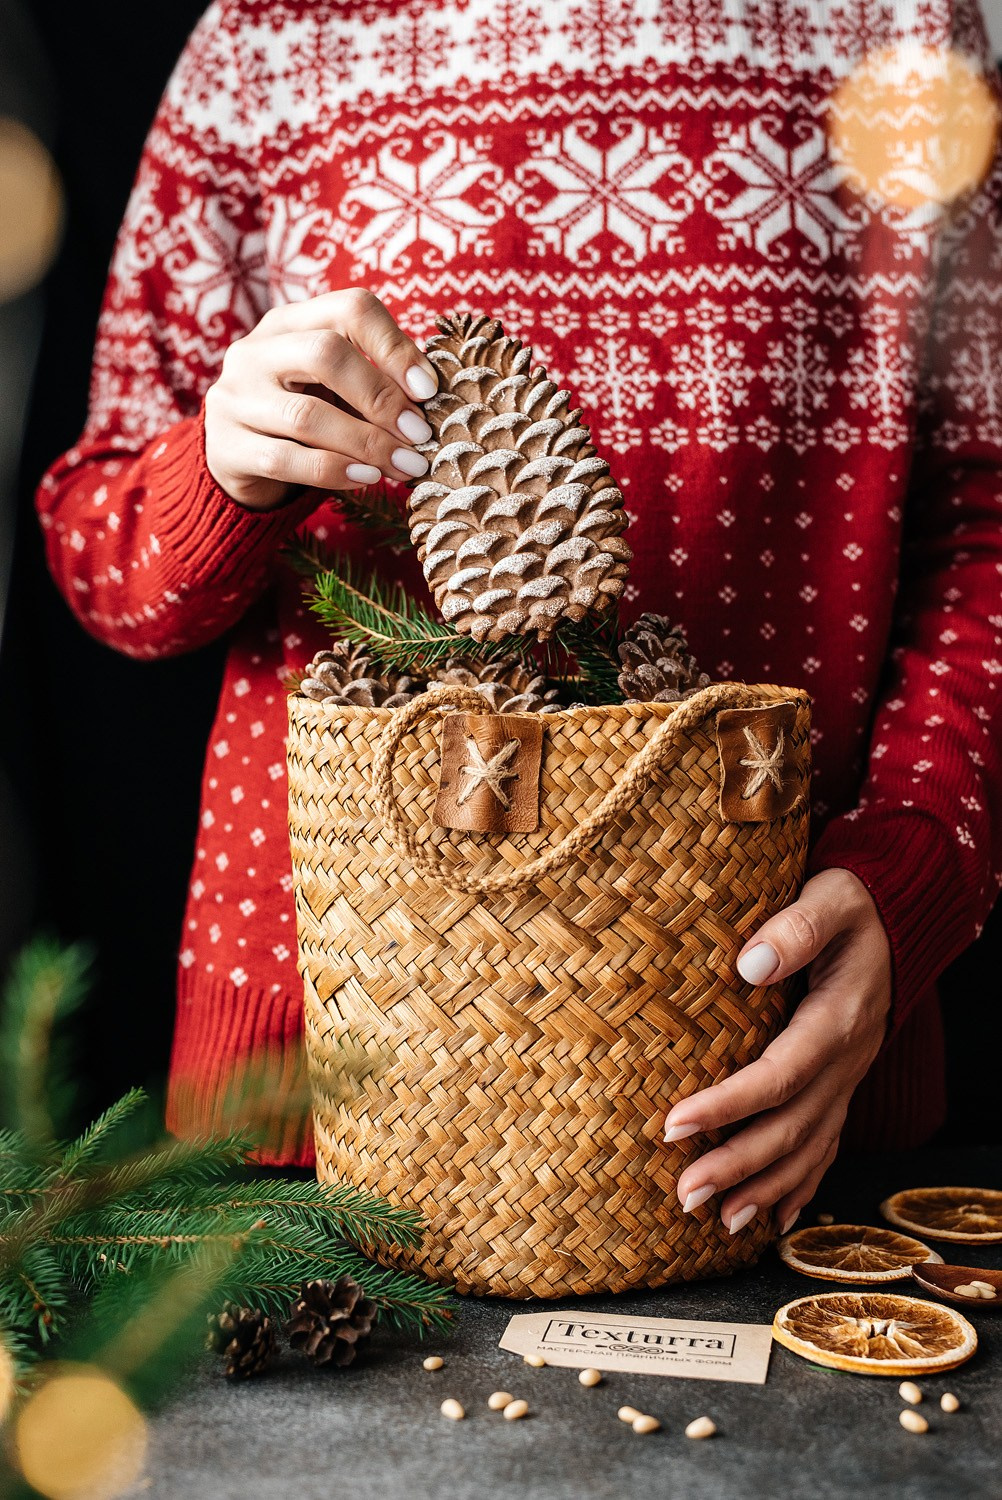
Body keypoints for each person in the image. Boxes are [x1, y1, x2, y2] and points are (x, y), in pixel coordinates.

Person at [36, 0, 1002, 1239]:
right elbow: (98, 553)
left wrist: (912, 877)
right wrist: (219, 467)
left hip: (763, 1076)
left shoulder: (902, 27)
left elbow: (980, 527)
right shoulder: (269, 35)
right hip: (330, 1078)